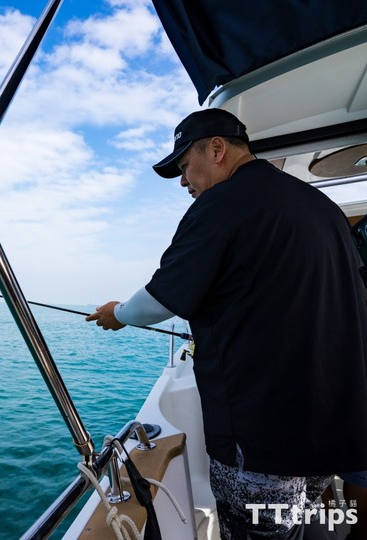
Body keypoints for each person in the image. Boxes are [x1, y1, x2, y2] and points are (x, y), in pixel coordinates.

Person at [86, 109, 367, 539]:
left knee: (263, 531)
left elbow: (160, 299)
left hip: (263, 441)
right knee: (312, 519)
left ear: (217, 149)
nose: (184, 181)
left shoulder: (221, 206)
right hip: (330, 425)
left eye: (184, 166)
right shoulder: (320, 206)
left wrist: (117, 314)